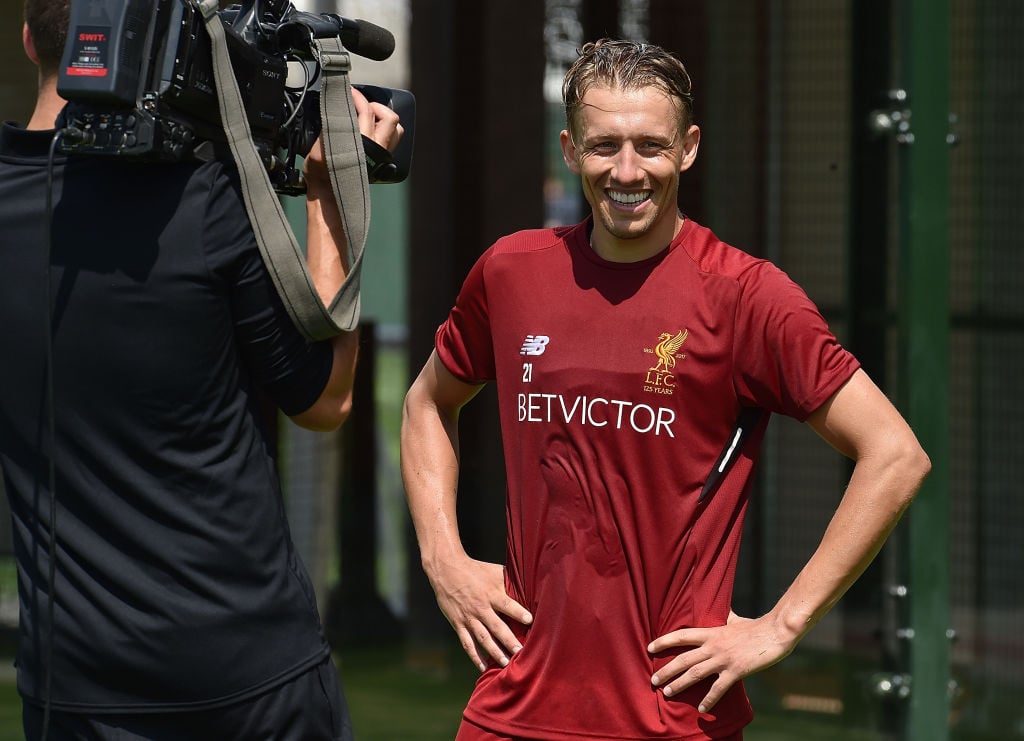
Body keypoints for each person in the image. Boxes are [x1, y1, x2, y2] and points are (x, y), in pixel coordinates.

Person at [400, 38, 931, 741]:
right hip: (510, 708)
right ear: (568, 148)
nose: (626, 171)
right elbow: (425, 403)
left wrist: (780, 625)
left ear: (688, 147)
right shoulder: (510, 272)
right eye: (603, 146)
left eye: (650, 146)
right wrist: (445, 562)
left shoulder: (746, 296)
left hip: (673, 717)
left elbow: (895, 453)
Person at [0, 1, 401, 739]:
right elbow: (324, 398)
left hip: (74, 688)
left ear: (30, 39)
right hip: (249, 682)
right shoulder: (200, 200)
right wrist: (330, 189)